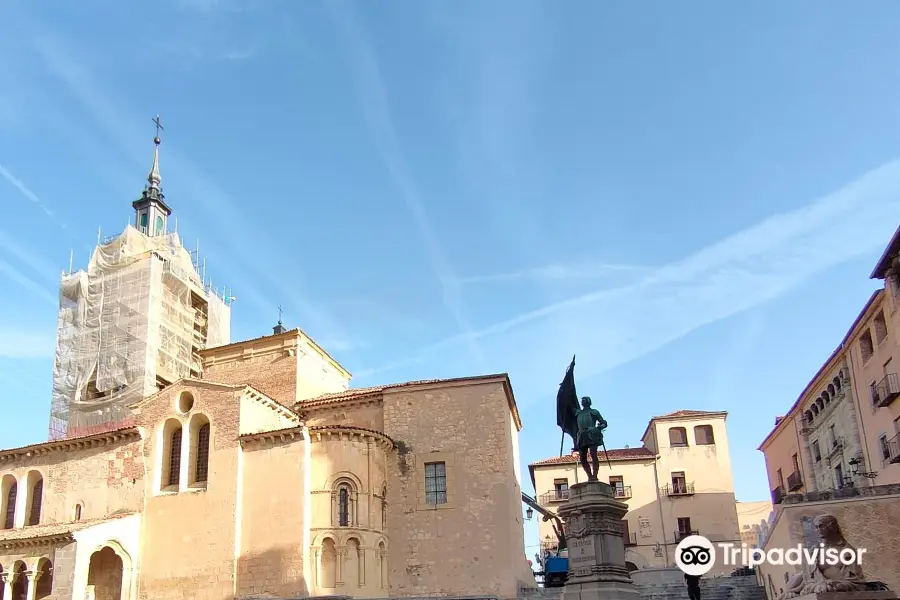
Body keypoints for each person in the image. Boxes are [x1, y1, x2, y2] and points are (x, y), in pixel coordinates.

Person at [575, 396, 607, 481]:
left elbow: (603, 422)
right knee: (582, 457)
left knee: (593, 454)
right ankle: (589, 475)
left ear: (588, 402)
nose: (583, 402)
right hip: (581, 435)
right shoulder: (578, 413)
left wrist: (600, 426)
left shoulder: (594, 412)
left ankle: (595, 475)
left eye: (584, 400)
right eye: (582, 400)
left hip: (592, 433)